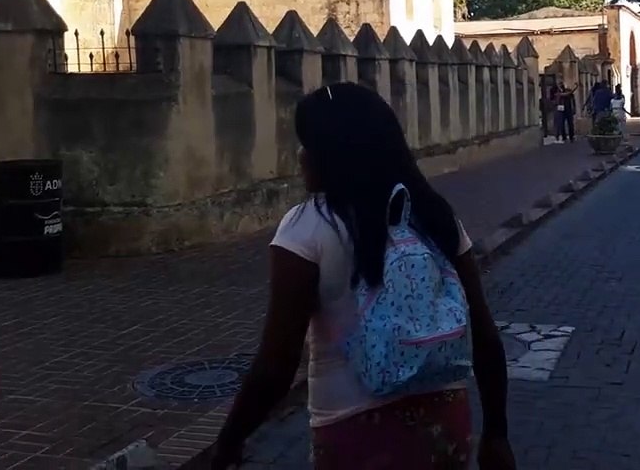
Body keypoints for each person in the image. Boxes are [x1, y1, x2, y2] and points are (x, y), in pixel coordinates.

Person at [212, 83, 515, 470]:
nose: (301, 155)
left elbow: (277, 366)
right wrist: (497, 433)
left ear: (334, 152)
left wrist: (229, 441)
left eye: (308, 145)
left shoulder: (307, 228)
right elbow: (484, 334)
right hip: (444, 426)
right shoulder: (433, 215)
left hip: (353, 435)